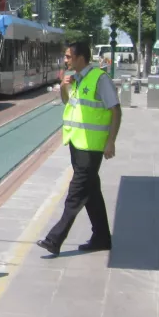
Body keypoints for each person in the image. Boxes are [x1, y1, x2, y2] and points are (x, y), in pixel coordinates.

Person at [37, 41, 121, 256]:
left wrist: (111, 141)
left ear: (80, 57)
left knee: (76, 193)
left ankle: (55, 239)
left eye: (68, 56)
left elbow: (116, 110)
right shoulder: (75, 79)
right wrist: (64, 87)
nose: (65, 60)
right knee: (91, 191)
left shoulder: (100, 79)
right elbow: (67, 102)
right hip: (77, 143)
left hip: (91, 147)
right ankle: (102, 237)